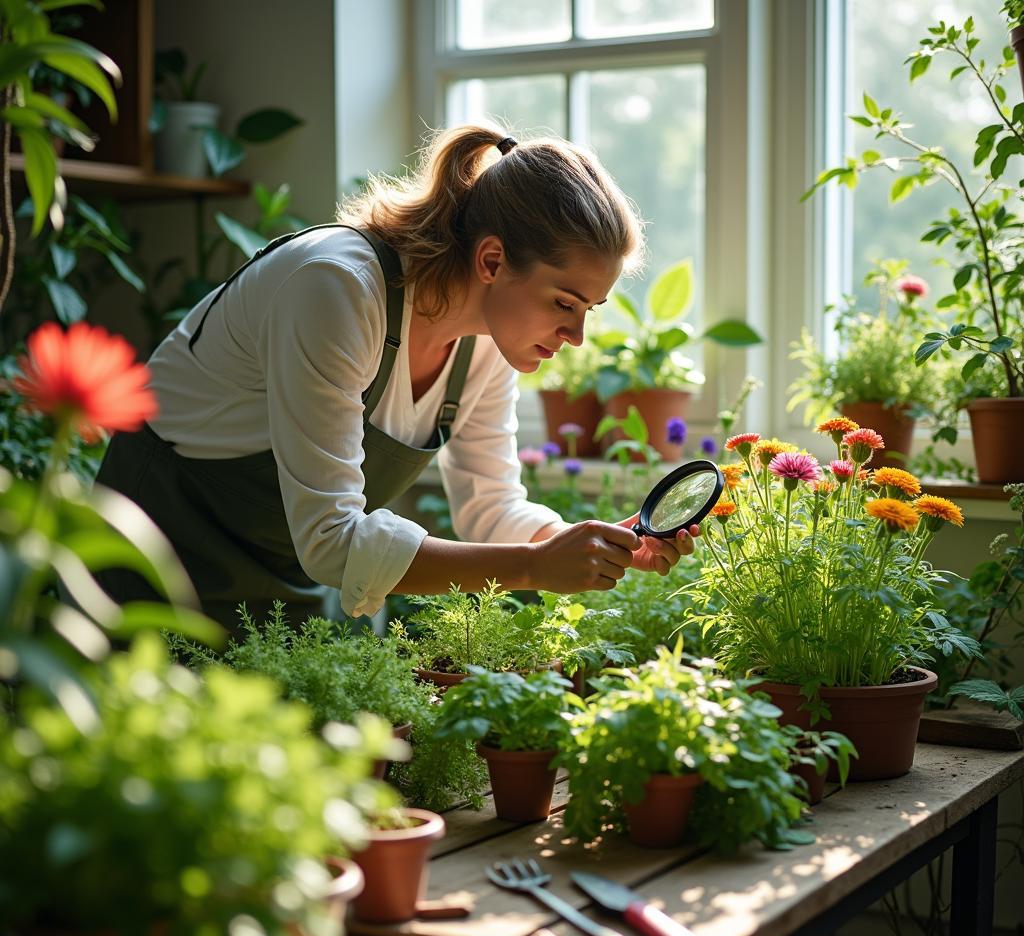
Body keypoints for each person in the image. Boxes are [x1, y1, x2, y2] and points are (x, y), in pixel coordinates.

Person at [95, 123, 699, 634]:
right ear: (492, 261)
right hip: (157, 555)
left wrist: (584, 546)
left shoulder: (486, 343)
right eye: (564, 303)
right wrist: (536, 567)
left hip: (290, 584)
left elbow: (490, 509)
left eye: (587, 311)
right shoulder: (337, 288)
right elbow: (333, 539)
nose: (576, 337)